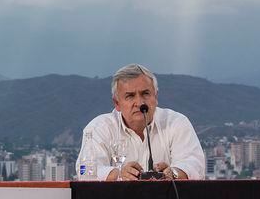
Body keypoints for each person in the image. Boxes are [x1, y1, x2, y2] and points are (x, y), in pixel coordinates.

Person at [76, 63, 205, 180]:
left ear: (156, 97)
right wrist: (118, 174)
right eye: (130, 96)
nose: (140, 103)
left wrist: (174, 173)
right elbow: (84, 171)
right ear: (117, 103)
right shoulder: (99, 128)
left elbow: (195, 164)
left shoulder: (176, 122)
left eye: (145, 94)